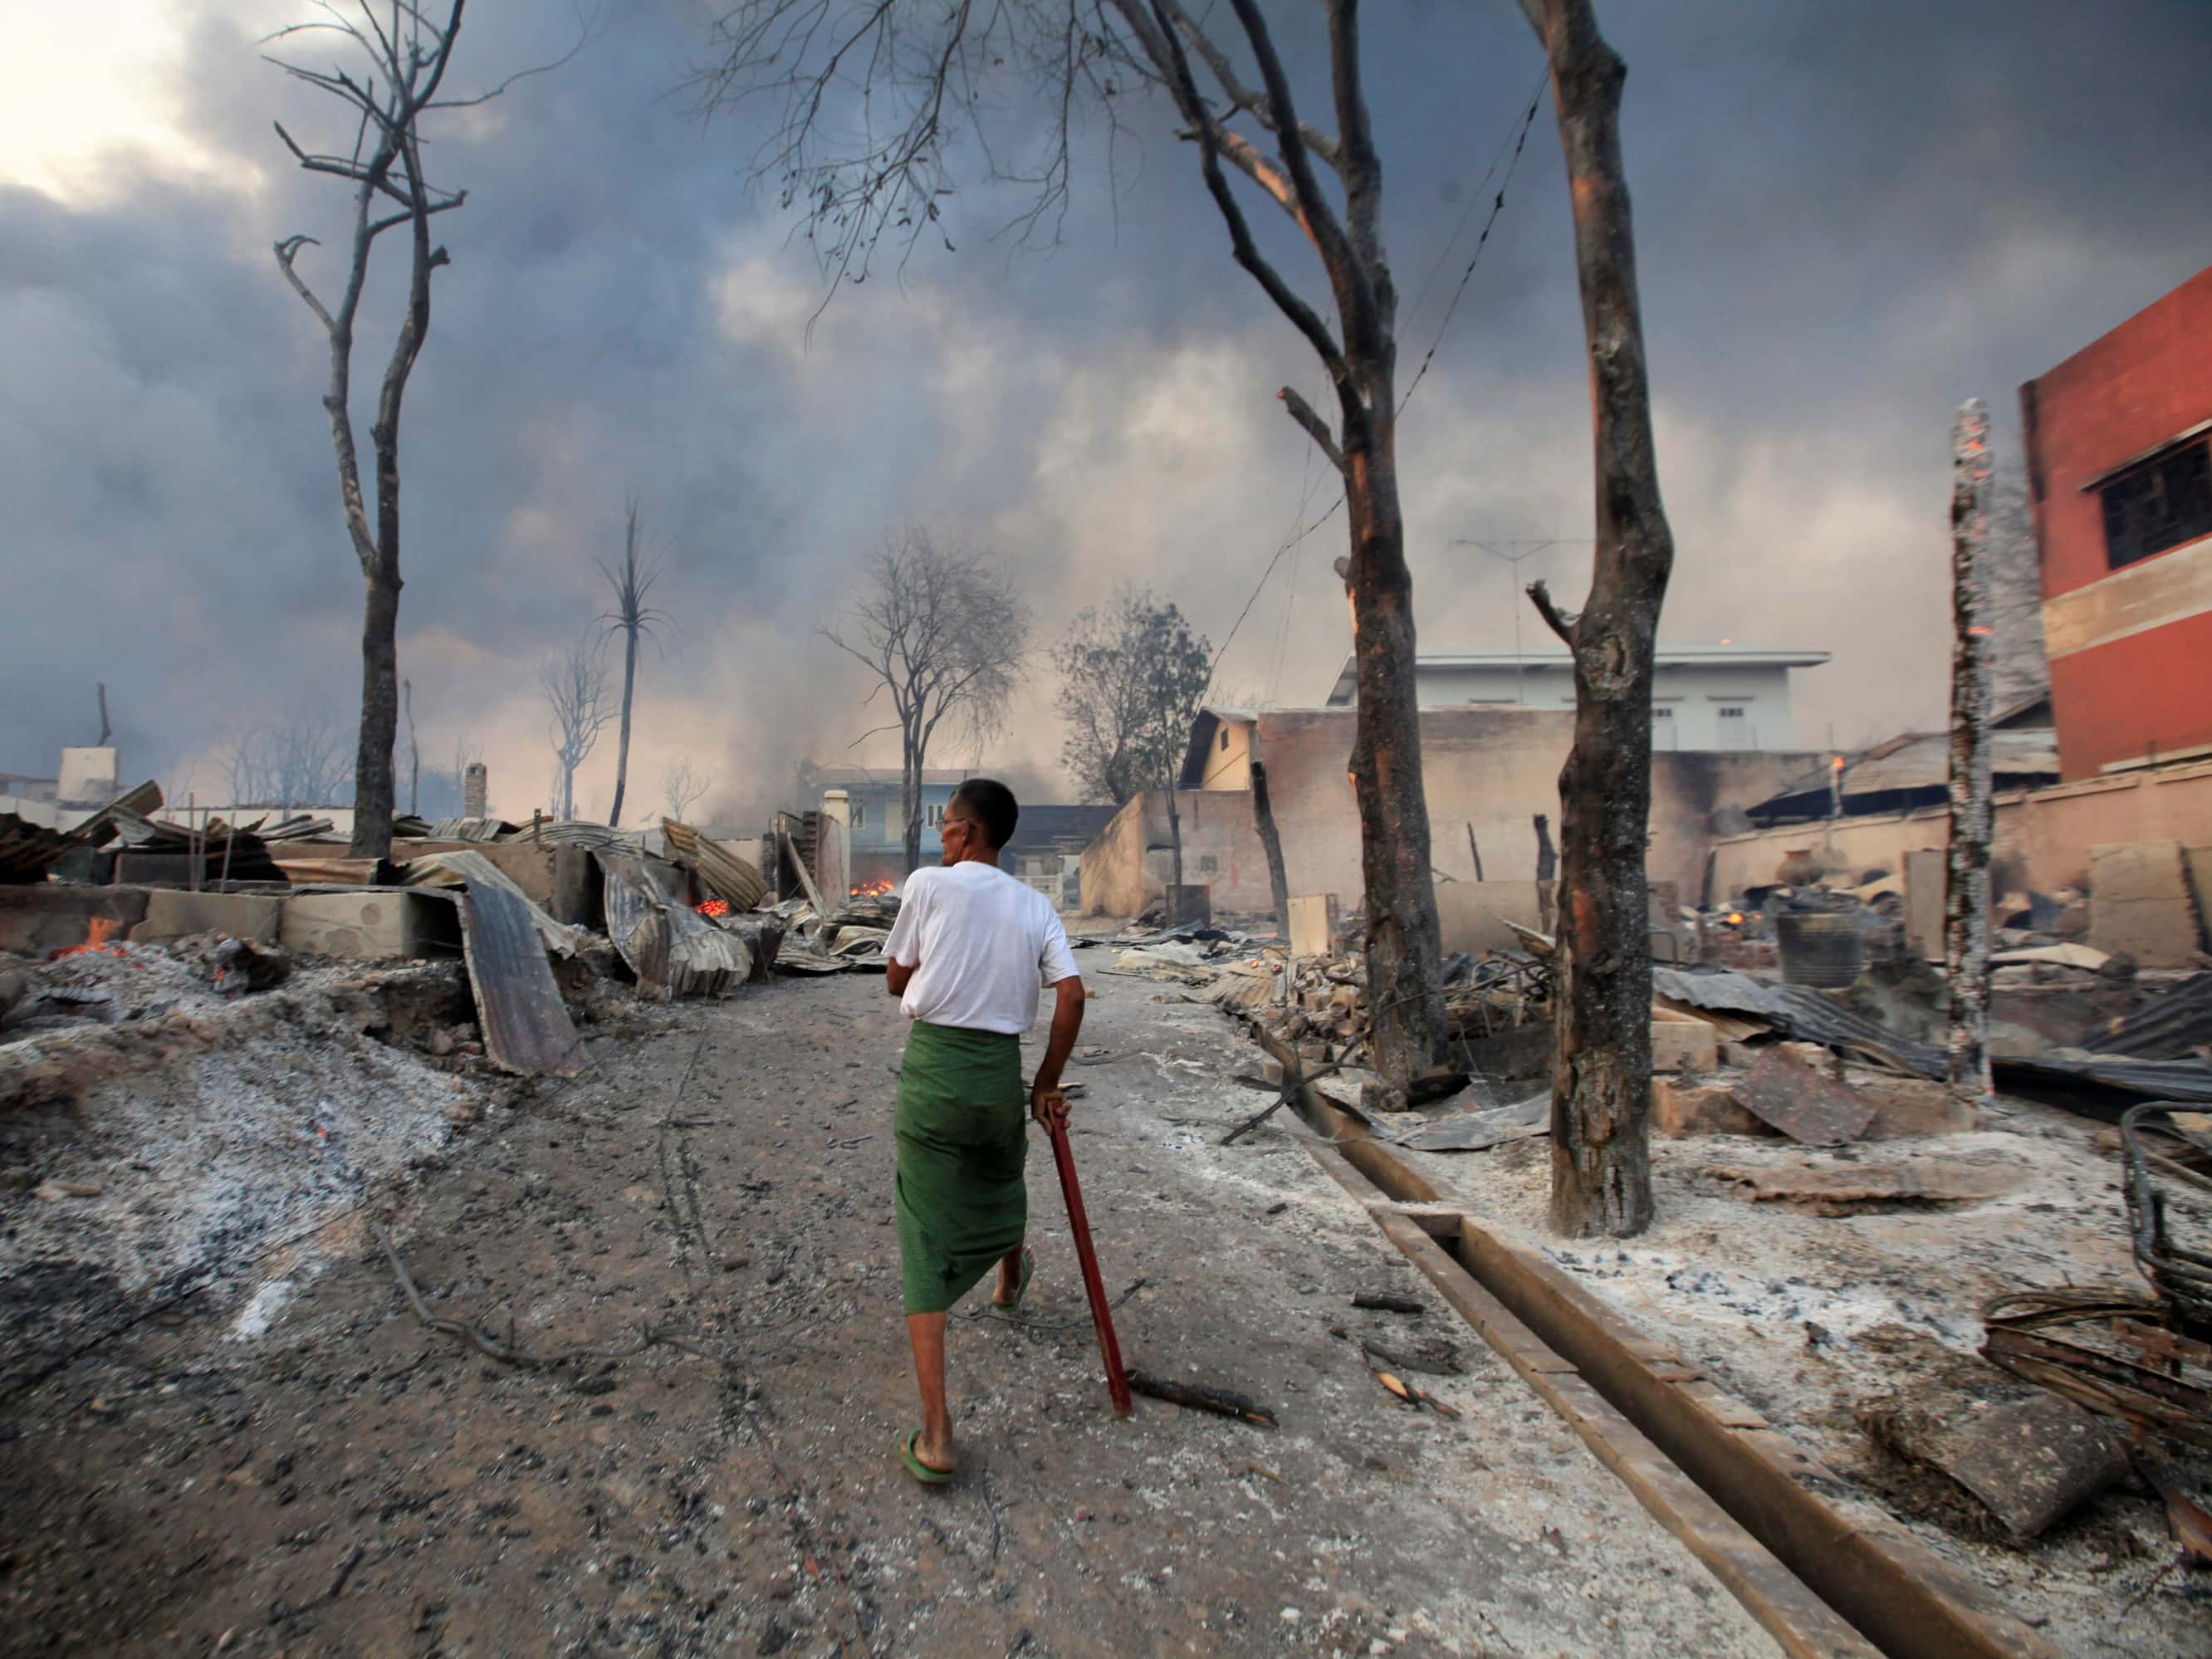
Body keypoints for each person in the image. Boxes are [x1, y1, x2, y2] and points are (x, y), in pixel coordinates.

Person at [881, 777, 1085, 1485]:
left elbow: (893, 977)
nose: (941, 836)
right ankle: (1006, 1282)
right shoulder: (1035, 906)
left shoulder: (928, 885)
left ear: (966, 833)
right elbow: (1073, 993)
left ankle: (938, 1437)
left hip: (936, 1075)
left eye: (945, 825)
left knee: (923, 1228)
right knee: (1002, 1172)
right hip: (999, 1077)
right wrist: (1046, 1082)